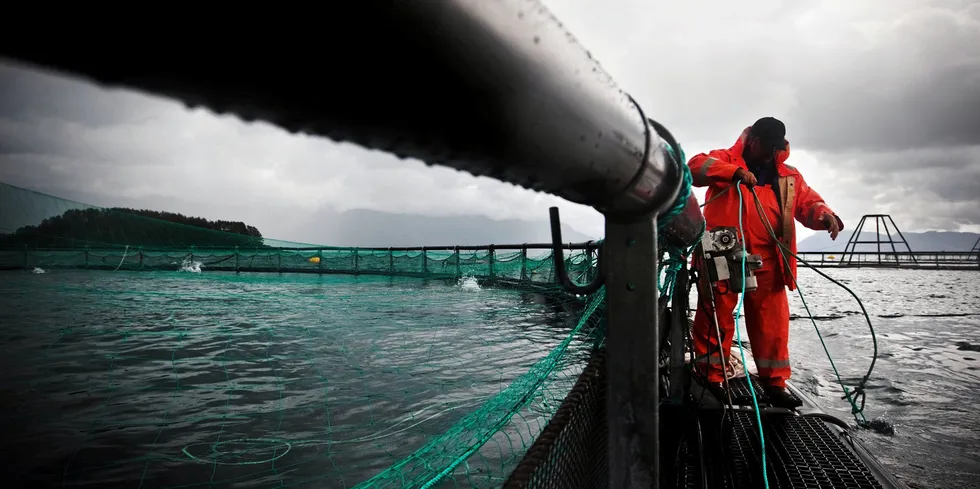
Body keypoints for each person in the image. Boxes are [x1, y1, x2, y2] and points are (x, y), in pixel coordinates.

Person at [687, 117, 843, 408]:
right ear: (754, 141)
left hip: (769, 256)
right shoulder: (723, 158)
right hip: (724, 251)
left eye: (776, 149)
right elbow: (694, 168)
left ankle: (774, 384)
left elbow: (807, 204)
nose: (771, 155)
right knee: (715, 315)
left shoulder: (789, 175)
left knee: (772, 322)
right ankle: (710, 378)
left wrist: (825, 216)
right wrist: (733, 172)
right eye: (767, 148)